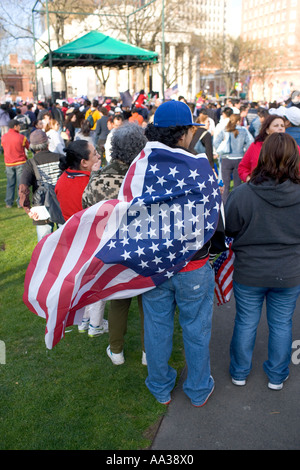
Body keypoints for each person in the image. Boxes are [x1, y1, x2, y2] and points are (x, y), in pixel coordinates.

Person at [140, 100, 226, 406]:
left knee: (158, 327)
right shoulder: (200, 168)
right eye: (192, 130)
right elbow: (216, 217)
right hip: (191, 266)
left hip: (155, 264)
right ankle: (198, 388)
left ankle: (161, 386)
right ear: (184, 133)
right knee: (196, 329)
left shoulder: (141, 166)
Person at [225, 133, 300, 391]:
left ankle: (240, 372)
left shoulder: (243, 194)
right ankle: (276, 376)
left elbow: (229, 228)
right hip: (288, 272)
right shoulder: (246, 193)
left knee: (246, 321)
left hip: (250, 273)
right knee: (281, 323)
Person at [82, 122, 148, 364]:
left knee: (118, 299)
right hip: (142, 248)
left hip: (112, 249)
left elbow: (85, 209)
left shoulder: (98, 179)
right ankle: (147, 353)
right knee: (147, 303)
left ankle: (117, 351)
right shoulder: (145, 177)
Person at [55, 140, 107, 337]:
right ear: (84, 162)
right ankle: (95, 324)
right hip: (89, 238)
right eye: (94, 153)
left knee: (79, 280)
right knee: (96, 282)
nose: (98, 156)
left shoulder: (64, 178)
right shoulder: (88, 182)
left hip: (70, 237)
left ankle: (84, 320)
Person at [18, 129, 62, 241]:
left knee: (44, 245)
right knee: (67, 241)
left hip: (41, 207)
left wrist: (27, 208)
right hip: (62, 203)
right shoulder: (61, 158)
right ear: (47, 143)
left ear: (32, 146)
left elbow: (23, 187)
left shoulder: (30, 163)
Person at [213, 113, 253, 203]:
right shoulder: (243, 131)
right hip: (239, 158)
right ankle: (237, 203)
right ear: (238, 121)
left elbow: (215, 143)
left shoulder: (225, 130)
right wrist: (244, 151)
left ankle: (225, 204)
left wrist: (221, 150)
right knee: (237, 184)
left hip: (226, 158)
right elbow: (250, 142)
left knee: (226, 185)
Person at [238, 114, 286, 182]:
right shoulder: (255, 146)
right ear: (267, 130)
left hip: (283, 189)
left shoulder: (292, 147)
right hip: (257, 188)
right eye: (276, 126)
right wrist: (249, 179)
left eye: (282, 126)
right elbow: (242, 167)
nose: (280, 128)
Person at [2, 119, 29, 208]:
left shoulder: (4, 137)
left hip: (8, 163)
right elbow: (28, 147)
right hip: (20, 162)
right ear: (15, 126)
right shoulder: (21, 137)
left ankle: (9, 202)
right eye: (19, 125)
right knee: (20, 184)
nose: (20, 127)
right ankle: (20, 203)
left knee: (10, 183)